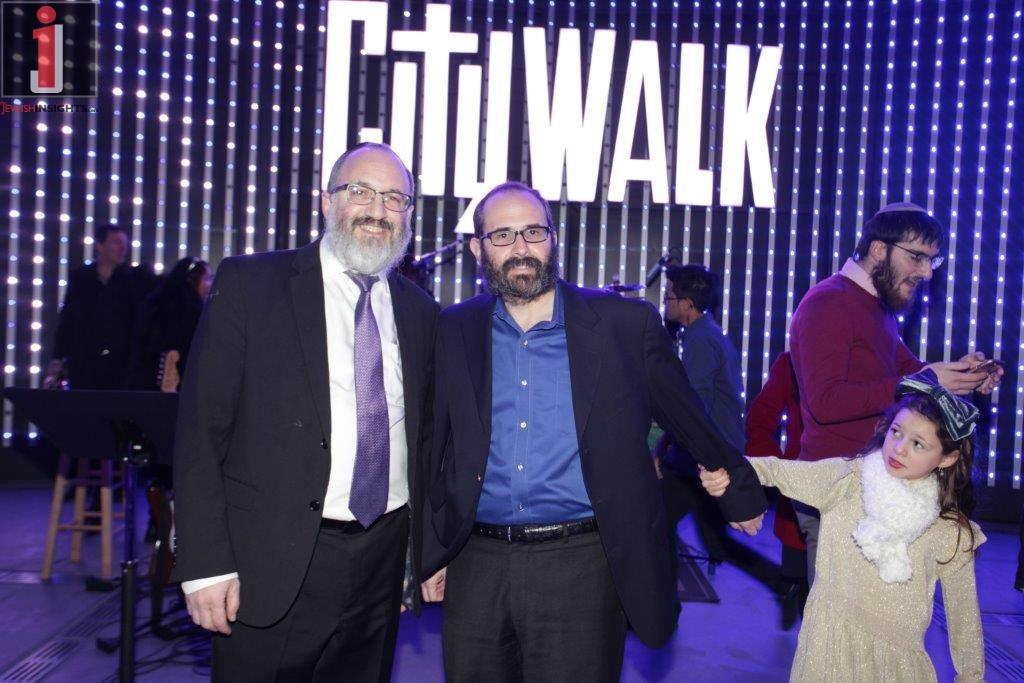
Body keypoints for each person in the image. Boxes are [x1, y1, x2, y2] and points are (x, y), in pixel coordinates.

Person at [420, 181, 767, 682]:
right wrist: (431, 549)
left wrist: (737, 485)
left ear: (553, 238)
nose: (520, 247)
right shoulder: (454, 328)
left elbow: (689, 416)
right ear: (478, 249)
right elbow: (436, 444)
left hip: (581, 564)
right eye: (502, 235)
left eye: (533, 232)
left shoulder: (624, 324)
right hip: (476, 561)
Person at [171, 142, 439, 681]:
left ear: (408, 214)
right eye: (360, 191)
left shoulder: (420, 311)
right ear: (326, 200)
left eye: (394, 198)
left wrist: (425, 554)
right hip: (268, 562)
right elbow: (200, 431)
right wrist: (203, 564)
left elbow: (428, 440)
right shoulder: (251, 285)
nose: (377, 209)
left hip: (382, 564)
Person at [701, 368, 985, 682]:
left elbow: (964, 618)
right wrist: (726, 471)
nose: (899, 448)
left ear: (947, 458)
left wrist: (971, 677)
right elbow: (777, 470)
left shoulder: (950, 533)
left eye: (919, 444)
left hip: (896, 670)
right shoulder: (847, 482)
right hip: (827, 654)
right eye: (896, 431)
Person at [788, 202, 1001, 582]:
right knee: (836, 618)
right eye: (917, 257)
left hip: (868, 488)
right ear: (878, 249)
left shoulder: (874, 306)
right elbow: (826, 402)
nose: (926, 272)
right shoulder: (830, 302)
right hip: (838, 489)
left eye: (932, 261)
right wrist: (926, 379)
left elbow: (909, 373)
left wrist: (962, 375)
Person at [656, 265, 775, 587]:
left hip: (708, 455)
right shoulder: (703, 334)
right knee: (709, 539)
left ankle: (663, 602)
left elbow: (692, 408)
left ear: (687, 303)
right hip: (710, 451)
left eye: (668, 297)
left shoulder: (701, 340)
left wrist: (662, 450)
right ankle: (782, 583)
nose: (664, 303)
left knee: (658, 521)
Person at [744, 351, 808, 628]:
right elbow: (759, 421)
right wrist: (778, 471)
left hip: (853, 499)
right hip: (801, 496)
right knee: (804, 583)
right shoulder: (793, 362)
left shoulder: (873, 355)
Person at [45, 223, 135, 389]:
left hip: (121, 362)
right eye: (116, 242)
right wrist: (58, 357)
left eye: (125, 243)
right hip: (84, 361)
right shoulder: (81, 278)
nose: (123, 248)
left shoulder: (133, 279)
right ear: (99, 246)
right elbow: (69, 319)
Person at [128, 256, 213, 391]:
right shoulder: (192, 312)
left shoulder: (156, 303)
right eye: (207, 278)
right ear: (192, 279)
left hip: (146, 381)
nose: (211, 284)